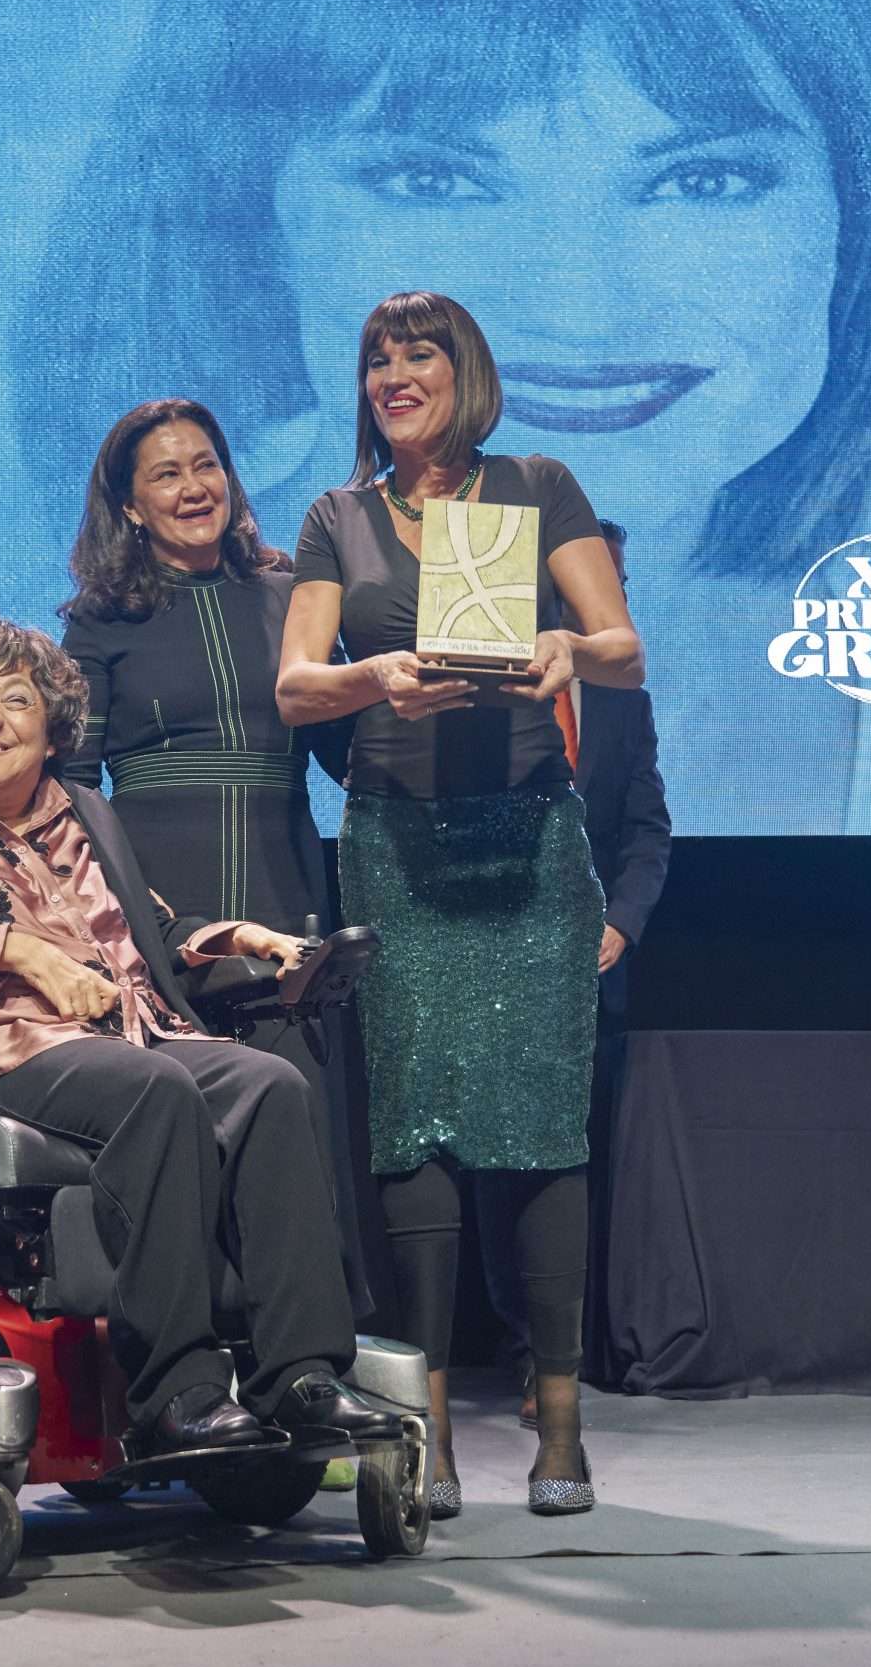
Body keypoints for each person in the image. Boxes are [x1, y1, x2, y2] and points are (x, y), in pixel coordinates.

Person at [16, 0, 871, 830]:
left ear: (851, 226)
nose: (578, 307)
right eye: (433, 181)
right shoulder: (173, 613)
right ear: (250, 217)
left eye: (704, 181)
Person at [0, 609, 394, 1456]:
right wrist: (16, 953)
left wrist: (239, 939)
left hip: (130, 1033)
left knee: (272, 1084)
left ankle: (301, 1376)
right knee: (152, 1090)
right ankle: (178, 1392)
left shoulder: (85, 811)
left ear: (52, 729)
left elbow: (149, 937)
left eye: (15, 700)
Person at [276, 290, 645, 1516]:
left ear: (463, 370)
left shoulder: (537, 486)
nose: (393, 372)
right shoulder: (338, 517)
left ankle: (558, 1428)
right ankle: (423, 1433)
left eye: (417, 353)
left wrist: (562, 652)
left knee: (542, 1132)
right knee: (413, 1135)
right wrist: (372, 676)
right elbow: (293, 688)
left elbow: (622, 647)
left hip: (531, 852)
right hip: (397, 852)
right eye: (375, 356)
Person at [55, 397, 374, 1319]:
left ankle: (308, 1359)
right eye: (166, 473)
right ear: (130, 505)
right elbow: (73, 788)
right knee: (189, 1134)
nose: (193, 486)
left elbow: (348, 757)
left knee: (301, 1126)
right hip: (164, 905)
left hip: (286, 888)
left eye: (206, 465)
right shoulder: (99, 622)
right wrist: (120, 918)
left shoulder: (290, 598)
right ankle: (191, 1356)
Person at [485, 518, 671, 1426]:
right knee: (499, 1165)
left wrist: (622, 927)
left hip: (591, 976)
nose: (610, 603)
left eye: (620, 586)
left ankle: (566, 1352)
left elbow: (646, 831)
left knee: (574, 1165)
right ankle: (523, 1351)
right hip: (490, 959)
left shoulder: (625, 702)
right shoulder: (487, 680)